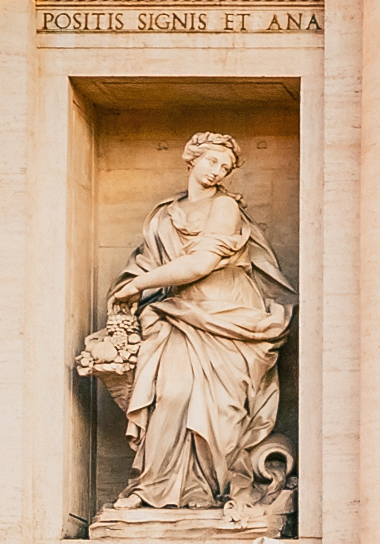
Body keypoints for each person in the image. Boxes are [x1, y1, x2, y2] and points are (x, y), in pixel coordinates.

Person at [77, 134, 293, 515]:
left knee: (220, 408)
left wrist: (140, 285)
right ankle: (157, 487)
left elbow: (200, 264)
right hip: (176, 313)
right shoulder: (163, 216)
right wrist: (132, 288)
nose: (218, 171)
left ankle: (207, 492)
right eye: (212, 161)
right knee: (171, 397)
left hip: (226, 316)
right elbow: (146, 264)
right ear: (191, 159)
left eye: (225, 168)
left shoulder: (225, 207)